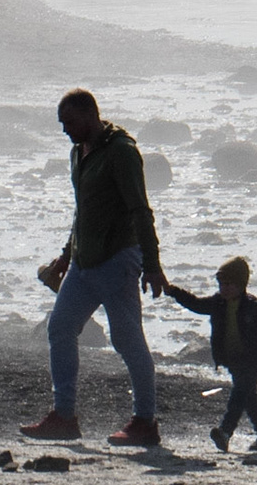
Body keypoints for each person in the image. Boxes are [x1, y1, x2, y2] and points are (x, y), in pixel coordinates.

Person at [22, 88, 166, 447]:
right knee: (60, 328)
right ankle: (64, 416)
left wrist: (152, 265)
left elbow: (140, 210)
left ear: (90, 116)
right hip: (84, 264)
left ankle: (145, 421)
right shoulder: (77, 153)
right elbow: (83, 209)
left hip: (118, 260)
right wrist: (66, 254)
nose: (65, 130)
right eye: (62, 124)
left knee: (127, 339)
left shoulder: (121, 152)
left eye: (69, 122)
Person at [166, 256, 257, 453]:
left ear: (241, 285)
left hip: (254, 360)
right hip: (234, 359)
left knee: (239, 395)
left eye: (229, 284)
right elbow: (195, 304)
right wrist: (175, 292)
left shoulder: (255, 308)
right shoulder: (218, 303)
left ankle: (225, 431)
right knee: (248, 398)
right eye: (221, 284)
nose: (224, 288)